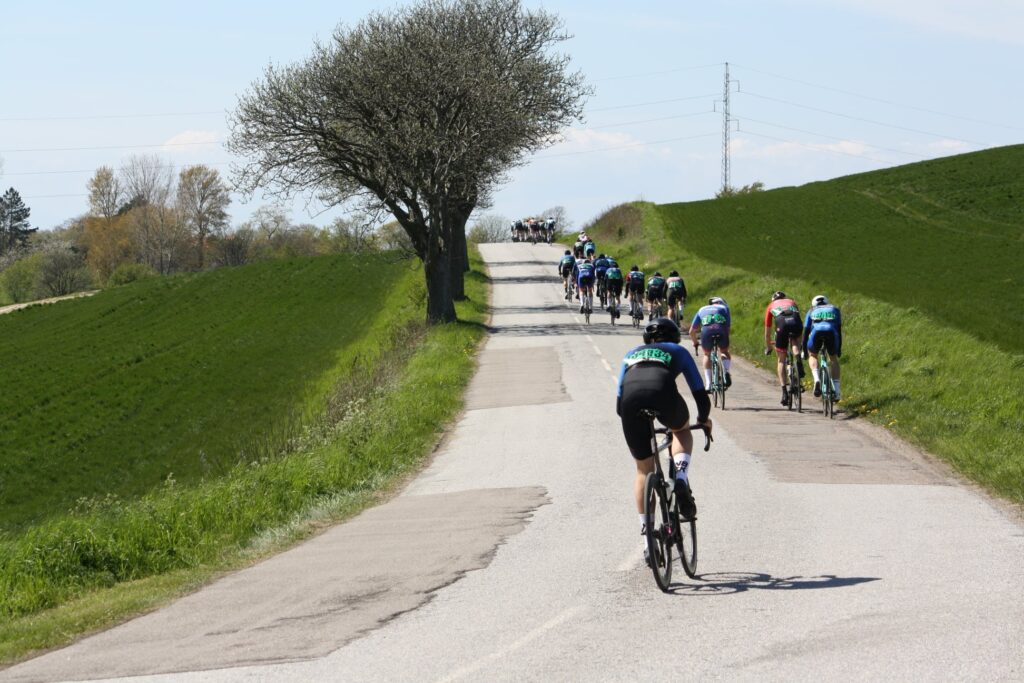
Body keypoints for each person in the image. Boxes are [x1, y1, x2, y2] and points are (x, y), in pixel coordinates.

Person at [616, 317, 712, 556]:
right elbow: (700, 394)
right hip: (663, 394)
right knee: (681, 430)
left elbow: (619, 405)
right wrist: (703, 419)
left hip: (630, 403)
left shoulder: (630, 354)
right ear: (674, 338)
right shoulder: (678, 351)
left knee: (643, 471)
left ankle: (647, 540)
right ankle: (680, 478)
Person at [764, 291, 806, 406]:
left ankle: (784, 392)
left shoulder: (771, 306)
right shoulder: (792, 302)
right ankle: (798, 360)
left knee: (781, 360)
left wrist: (768, 346)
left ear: (773, 300)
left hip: (782, 325)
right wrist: (801, 343)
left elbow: (767, 333)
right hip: (795, 323)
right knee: (795, 342)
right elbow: (798, 318)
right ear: (784, 297)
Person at [802, 294, 843, 400]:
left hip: (816, 333)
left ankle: (817, 380)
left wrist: (805, 350)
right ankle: (837, 392)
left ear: (813, 304)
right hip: (831, 333)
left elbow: (806, 332)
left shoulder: (811, 311)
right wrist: (839, 348)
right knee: (833, 359)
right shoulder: (835, 309)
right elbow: (839, 331)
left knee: (813, 355)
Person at [689, 297, 732, 388]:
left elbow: (691, 331)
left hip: (706, 332)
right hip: (721, 330)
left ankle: (708, 383)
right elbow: (728, 328)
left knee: (707, 355)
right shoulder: (725, 308)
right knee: (724, 352)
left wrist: (695, 342)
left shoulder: (702, 309)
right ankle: (726, 372)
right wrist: (724, 343)